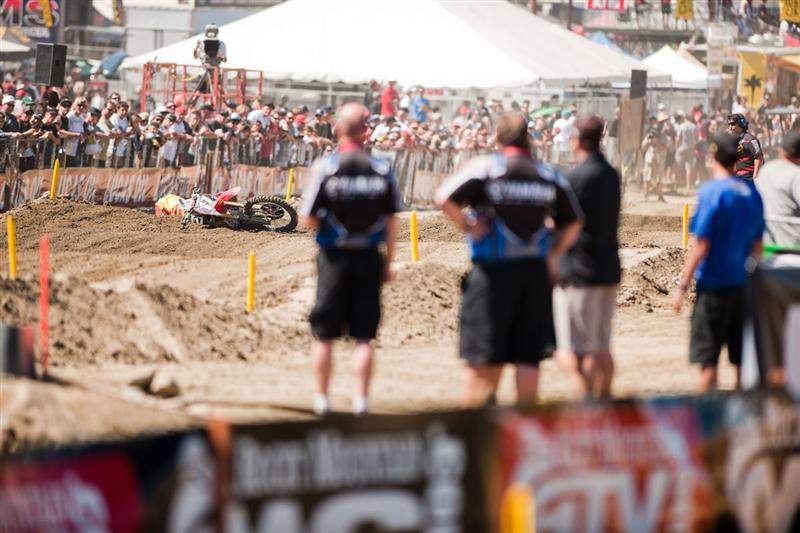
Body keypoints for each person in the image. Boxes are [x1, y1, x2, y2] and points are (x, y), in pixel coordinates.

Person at [435, 112, 583, 407]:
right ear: (528, 137)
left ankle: (476, 431)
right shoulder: (547, 173)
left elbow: (442, 197)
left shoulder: (486, 167)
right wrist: (553, 251)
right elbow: (575, 222)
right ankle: (525, 428)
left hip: (492, 274)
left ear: (496, 137)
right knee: (529, 359)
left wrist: (467, 226)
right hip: (534, 274)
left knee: (482, 359)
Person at [300, 102, 400, 416]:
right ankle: (362, 401)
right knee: (364, 336)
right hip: (369, 255)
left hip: (334, 255)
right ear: (366, 132)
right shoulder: (383, 168)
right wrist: (389, 262)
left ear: (338, 129)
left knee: (324, 334)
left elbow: (307, 217)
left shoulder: (326, 166)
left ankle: (322, 400)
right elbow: (393, 220)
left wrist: (331, 224)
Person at [673, 133, 765, 392]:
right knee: (739, 362)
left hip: (713, 286)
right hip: (742, 285)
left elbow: (701, 245)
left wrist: (682, 286)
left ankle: (708, 421)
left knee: (708, 361)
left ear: (713, 157)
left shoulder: (711, 192)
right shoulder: (751, 193)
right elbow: (757, 246)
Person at [554, 116, 621, 399]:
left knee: (574, 353)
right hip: (608, 265)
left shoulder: (576, 177)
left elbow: (564, 223)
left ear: (578, 140)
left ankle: (589, 408)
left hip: (581, 268)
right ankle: (606, 404)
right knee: (602, 347)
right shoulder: (610, 173)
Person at [756, 131, 800, 247]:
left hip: (767, 242)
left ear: (781, 150)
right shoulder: (796, 175)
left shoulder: (766, 169)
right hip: (793, 245)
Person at [727, 113, 764, 181]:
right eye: (729, 124)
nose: (730, 127)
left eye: (732, 124)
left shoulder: (751, 139)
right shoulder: (733, 141)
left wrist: (755, 176)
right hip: (738, 179)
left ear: (741, 124)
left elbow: (759, 157)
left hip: (749, 179)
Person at [675, 111, 698, 192]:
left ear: (685, 118)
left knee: (679, 166)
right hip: (691, 148)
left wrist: (677, 147)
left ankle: (678, 184)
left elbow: (678, 138)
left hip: (681, 148)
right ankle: (688, 187)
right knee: (689, 168)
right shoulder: (694, 127)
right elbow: (697, 139)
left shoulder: (681, 126)